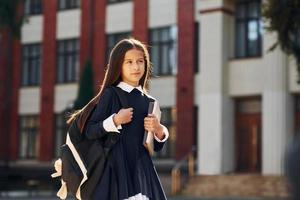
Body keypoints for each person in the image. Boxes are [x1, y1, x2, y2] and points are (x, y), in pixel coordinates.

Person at [68, 38, 169, 200]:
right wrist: (115, 120)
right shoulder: (111, 94)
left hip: (142, 171)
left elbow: (155, 147)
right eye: (129, 62)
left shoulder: (150, 102)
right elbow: (90, 131)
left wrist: (158, 129)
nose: (136, 67)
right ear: (118, 65)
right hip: (116, 171)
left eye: (140, 61)